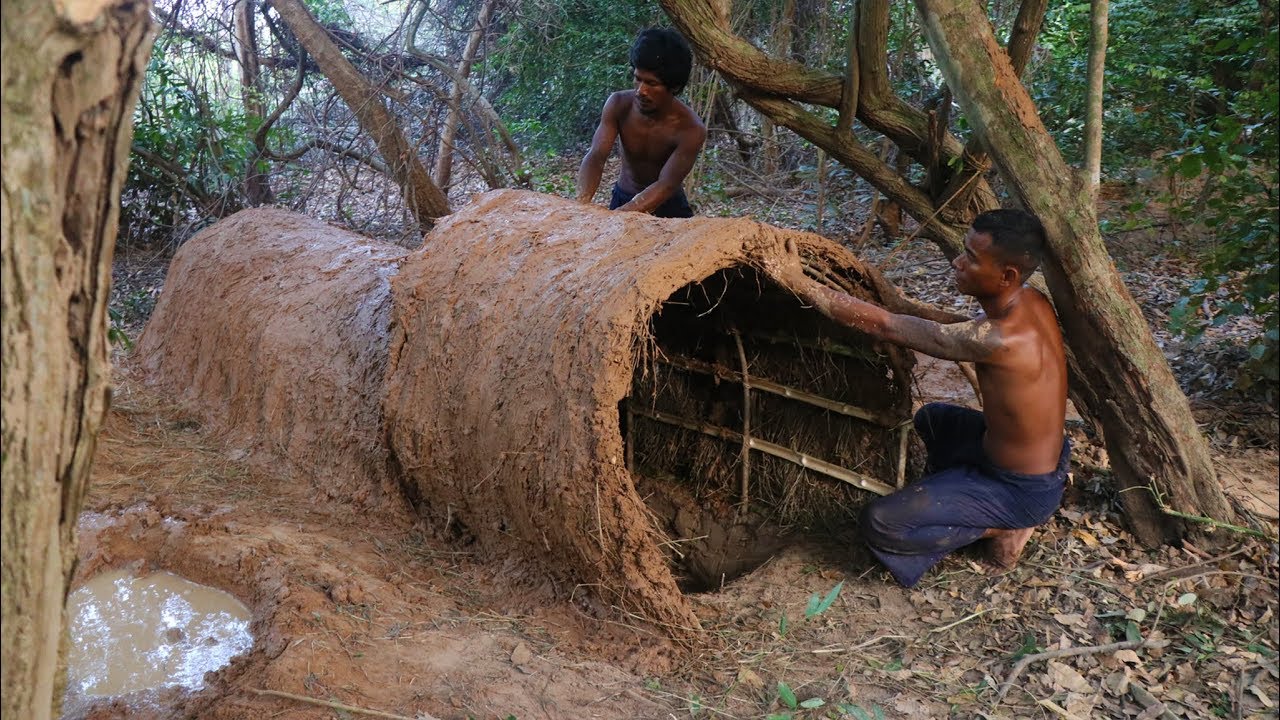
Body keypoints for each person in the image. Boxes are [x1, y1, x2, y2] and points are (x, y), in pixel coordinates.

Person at [770, 210, 1070, 588]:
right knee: (933, 418)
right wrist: (902, 304)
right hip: (1037, 460)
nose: (957, 262)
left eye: (971, 258)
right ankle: (959, 497)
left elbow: (887, 327)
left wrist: (798, 283)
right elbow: (948, 326)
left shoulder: (1002, 339)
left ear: (1007, 275)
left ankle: (1000, 527)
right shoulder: (1031, 301)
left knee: (881, 523)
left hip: (1018, 488)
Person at [576, 28, 707, 218]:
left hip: (669, 207)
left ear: (674, 87)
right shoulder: (618, 105)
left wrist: (619, 216)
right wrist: (581, 204)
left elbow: (666, 184)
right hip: (623, 196)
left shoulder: (691, 129)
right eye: (638, 79)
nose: (641, 91)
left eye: (652, 84)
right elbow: (596, 156)